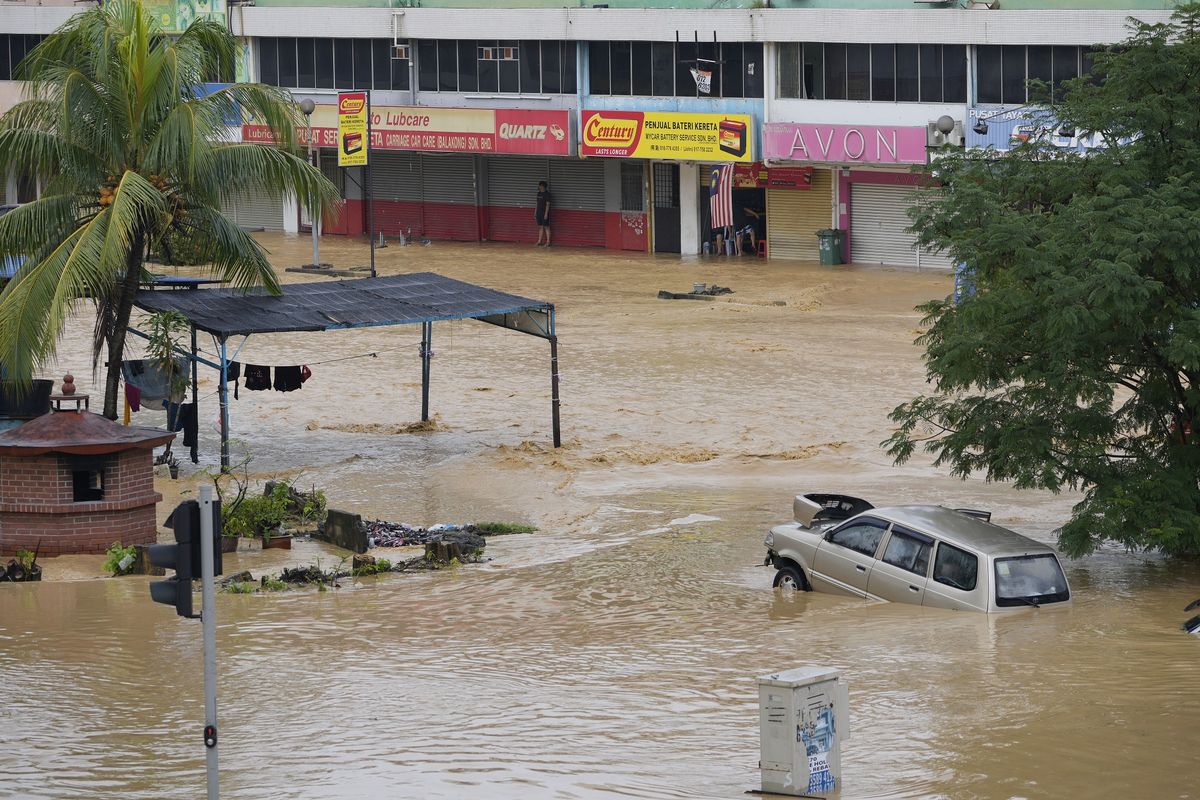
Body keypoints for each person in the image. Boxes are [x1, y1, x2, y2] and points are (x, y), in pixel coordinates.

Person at [535, 181, 552, 246]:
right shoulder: (538, 193)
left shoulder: (547, 194)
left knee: (546, 227)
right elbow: (536, 204)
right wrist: (535, 212)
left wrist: (546, 214)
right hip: (538, 213)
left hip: (544, 213)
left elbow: (548, 204)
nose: (539, 187)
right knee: (540, 227)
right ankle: (539, 241)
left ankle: (548, 242)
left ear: (543, 186)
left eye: (540, 185)